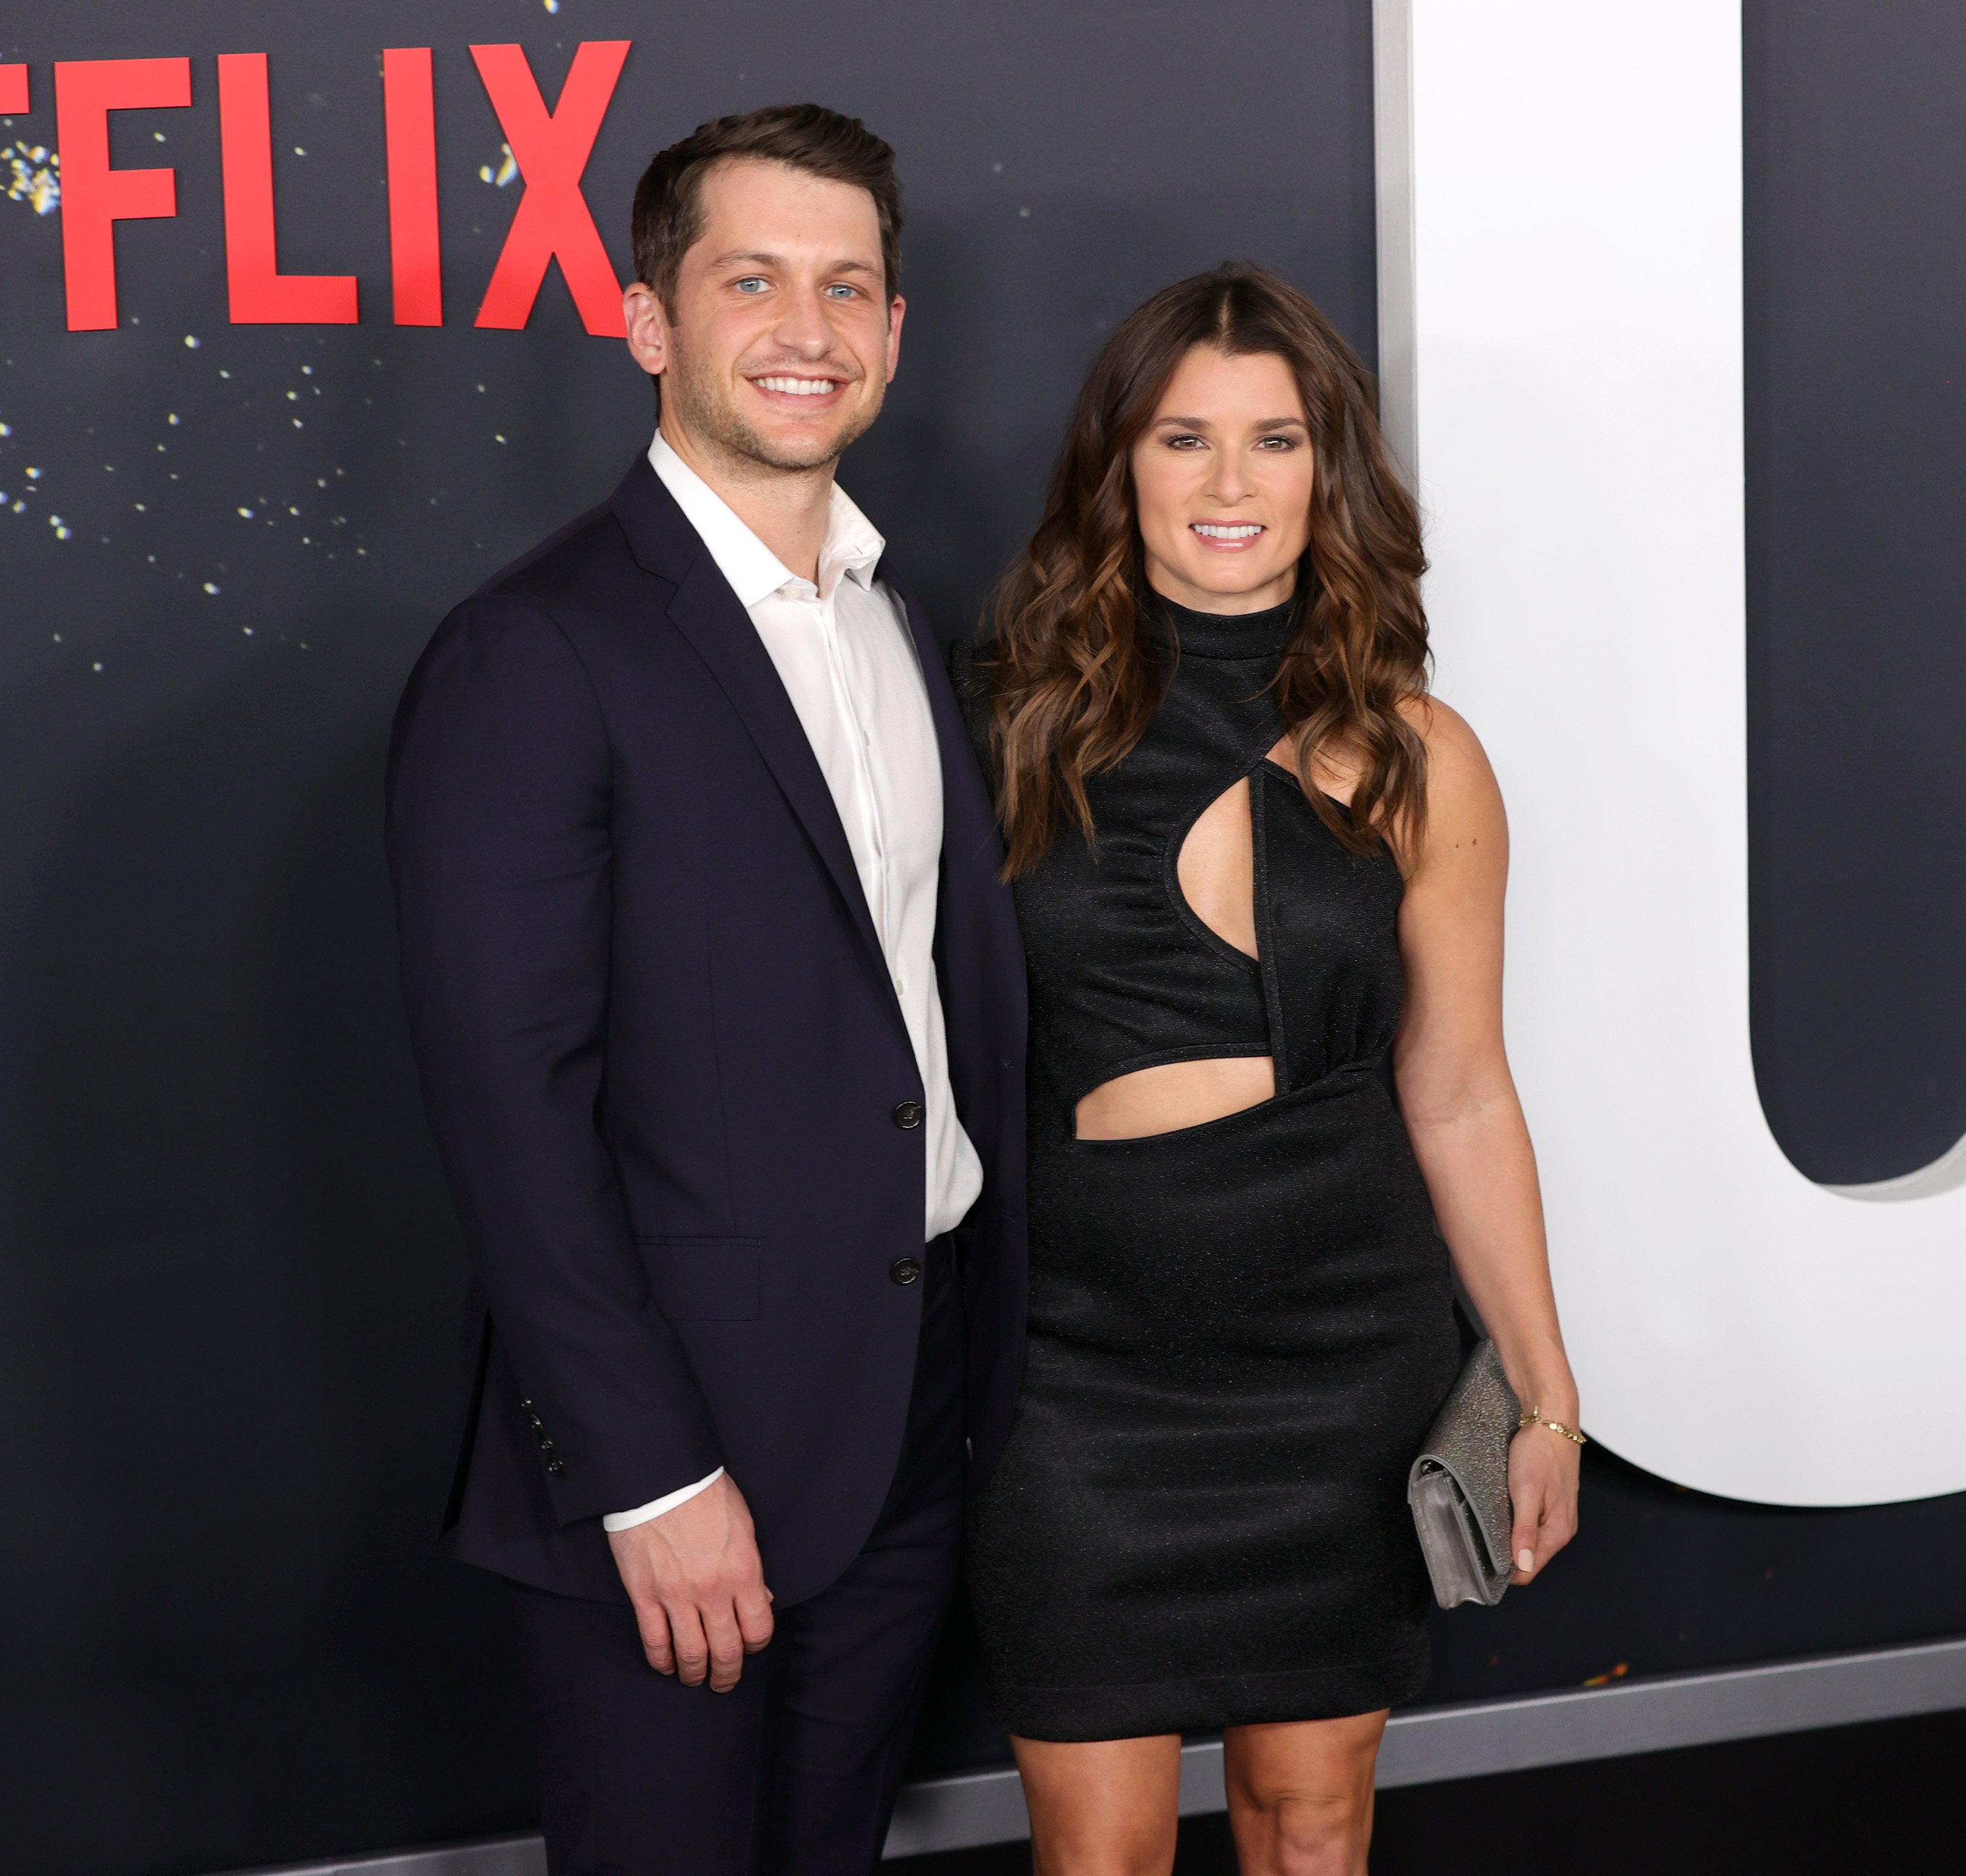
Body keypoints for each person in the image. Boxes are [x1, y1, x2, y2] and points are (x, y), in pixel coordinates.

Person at [385, 105, 1025, 1875]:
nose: (806, 330)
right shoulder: (536, 651)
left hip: (911, 1402)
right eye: (751, 281)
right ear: (651, 317)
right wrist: (650, 1481)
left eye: (847, 289)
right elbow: (512, 1110)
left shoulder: (903, 620)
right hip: (676, 1454)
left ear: (898, 332)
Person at [961, 262, 1584, 1875]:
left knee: (1312, 1821)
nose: (1231, 485)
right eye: (1183, 441)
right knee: (1095, 1850)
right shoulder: (1009, 725)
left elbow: (1459, 1090)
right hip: (1075, 1383)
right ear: (1121, 469)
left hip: (1338, 1368)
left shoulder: (1419, 753)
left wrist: (1543, 1388)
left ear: (1332, 472)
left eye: (1277, 440)